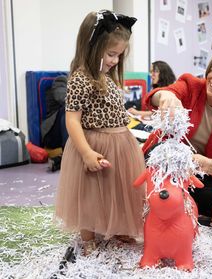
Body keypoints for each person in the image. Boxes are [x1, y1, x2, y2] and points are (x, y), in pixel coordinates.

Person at [54, 10, 146, 256]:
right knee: (91, 192)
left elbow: (110, 107)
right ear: (92, 46)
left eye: (119, 55)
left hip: (120, 141)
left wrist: (135, 115)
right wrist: (85, 152)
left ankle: (117, 226)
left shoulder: (107, 76)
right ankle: (88, 236)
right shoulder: (81, 78)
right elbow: (72, 119)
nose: (116, 60)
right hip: (95, 142)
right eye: (111, 54)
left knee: (118, 188)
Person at [142, 46, 212, 225]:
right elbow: (154, 97)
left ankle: (182, 199)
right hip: (162, 161)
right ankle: (169, 198)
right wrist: (165, 96)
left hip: (193, 172)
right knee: (161, 198)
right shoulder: (192, 85)